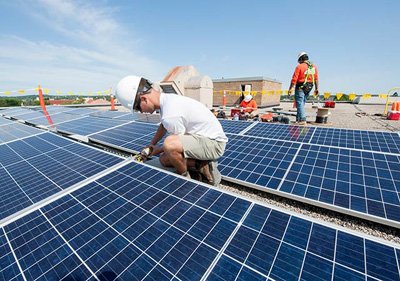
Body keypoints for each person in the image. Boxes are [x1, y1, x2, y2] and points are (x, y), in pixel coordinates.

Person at [115, 75, 228, 186]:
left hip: (214, 144)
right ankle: (200, 164)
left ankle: (185, 177)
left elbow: (173, 145)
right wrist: (152, 145)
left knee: (169, 145)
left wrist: (154, 151)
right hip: (205, 139)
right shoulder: (167, 100)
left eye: (138, 108)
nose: (141, 112)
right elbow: (163, 126)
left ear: (144, 99)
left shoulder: (170, 113)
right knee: (164, 160)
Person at [288, 52, 319, 125]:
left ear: (301, 59)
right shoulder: (313, 66)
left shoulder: (299, 66)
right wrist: (316, 89)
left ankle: (302, 119)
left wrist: (290, 89)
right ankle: (298, 119)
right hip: (310, 86)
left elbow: (294, 79)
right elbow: (316, 79)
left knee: (299, 103)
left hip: (300, 86)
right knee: (301, 103)